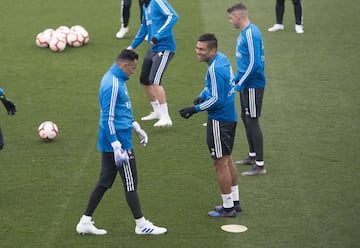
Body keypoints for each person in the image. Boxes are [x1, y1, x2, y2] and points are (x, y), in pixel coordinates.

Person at [76, 49, 167, 235]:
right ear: (124, 65)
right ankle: (141, 225)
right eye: (132, 68)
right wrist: (117, 146)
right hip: (119, 142)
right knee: (130, 182)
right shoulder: (113, 84)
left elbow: (121, 110)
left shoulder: (116, 79)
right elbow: (107, 118)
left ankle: (85, 221)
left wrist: (135, 126)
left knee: (105, 181)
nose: (134, 71)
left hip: (117, 137)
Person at [179, 33, 241, 217]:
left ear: (212, 50)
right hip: (230, 117)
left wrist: (195, 108)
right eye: (197, 48)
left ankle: (228, 208)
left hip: (219, 121)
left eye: (201, 49)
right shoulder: (222, 60)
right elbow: (215, 88)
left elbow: (216, 98)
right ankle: (235, 201)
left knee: (220, 163)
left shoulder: (214, 69)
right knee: (228, 159)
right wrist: (202, 94)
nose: (197, 52)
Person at [227, 3, 267, 176]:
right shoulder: (245, 33)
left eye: (230, 18)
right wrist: (236, 77)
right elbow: (245, 63)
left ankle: (260, 164)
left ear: (238, 17)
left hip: (253, 85)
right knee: (246, 117)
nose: (230, 21)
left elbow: (255, 64)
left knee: (252, 119)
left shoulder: (251, 33)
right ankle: (252, 155)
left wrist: (241, 82)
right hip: (246, 82)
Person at [127, 0, 178, 127]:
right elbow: (143, 28)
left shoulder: (157, 1)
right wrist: (132, 46)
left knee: (155, 80)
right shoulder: (145, 6)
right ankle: (157, 111)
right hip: (153, 49)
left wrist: (158, 36)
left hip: (165, 48)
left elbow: (173, 16)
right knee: (144, 80)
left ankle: (166, 117)